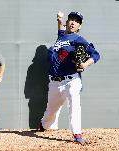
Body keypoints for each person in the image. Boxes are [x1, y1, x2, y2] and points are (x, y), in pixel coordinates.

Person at [39, 11, 100, 145]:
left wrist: (84, 64)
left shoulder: (79, 39)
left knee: (74, 105)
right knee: (51, 111)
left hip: (71, 80)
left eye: (76, 21)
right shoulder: (61, 37)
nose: (73, 22)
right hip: (55, 82)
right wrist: (59, 20)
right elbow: (60, 30)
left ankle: (77, 133)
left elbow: (95, 55)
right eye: (71, 19)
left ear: (79, 26)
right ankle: (44, 125)